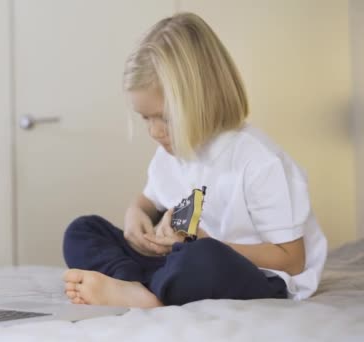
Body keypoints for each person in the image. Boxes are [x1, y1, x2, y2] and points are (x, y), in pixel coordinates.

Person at [62, 12, 327, 308]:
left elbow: (292, 261)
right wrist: (134, 215)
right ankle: (134, 286)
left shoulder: (259, 161)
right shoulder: (170, 151)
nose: (154, 131)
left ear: (205, 99)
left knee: (200, 260)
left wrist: (204, 244)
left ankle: (153, 291)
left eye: (165, 118)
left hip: (254, 273)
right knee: (82, 230)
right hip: (178, 261)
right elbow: (148, 201)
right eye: (145, 118)